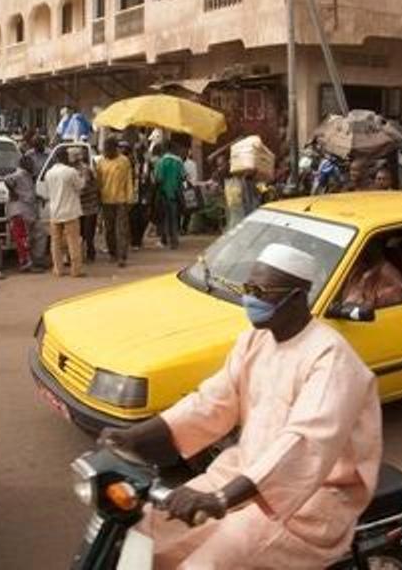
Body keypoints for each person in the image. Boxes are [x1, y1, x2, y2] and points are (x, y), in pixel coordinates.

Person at [101, 243, 382, 569]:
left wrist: (221, 499)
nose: (250, 299)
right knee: (145, 530)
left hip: (309, 502)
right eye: (247, 288)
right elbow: (211, 402)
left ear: (297, 296)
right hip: (242, 470)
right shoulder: (255, 340)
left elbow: (303, 445)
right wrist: (132, 437)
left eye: (260, 291)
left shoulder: (330, 358)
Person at [43, 151, 85, 277]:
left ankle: (58, 269)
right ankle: (75, 270)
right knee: (73, 242)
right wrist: (84, 177)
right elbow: (80, 186)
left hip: (55, 212)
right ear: (66, 158)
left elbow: (47, 192)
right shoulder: (71, 172)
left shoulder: (49, 173)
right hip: (70, 211)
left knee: (55, 243)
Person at [96, 137, 134, 267]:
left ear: (115, 148)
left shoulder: (124, 161)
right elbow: (98, 182)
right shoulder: (100, 162)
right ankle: (112, 253)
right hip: (106, 201)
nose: (106, 152)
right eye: (105, 150)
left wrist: (130, 198)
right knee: (109, 230)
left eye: (108, 149)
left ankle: (122, 256)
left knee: (121, 229)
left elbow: (129, 181)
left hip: (121, 200)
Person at [341, 240, 402, 311]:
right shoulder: (357, 269)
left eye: (365, 251)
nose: (359, 257)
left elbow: (369, 309)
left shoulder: (387, 275)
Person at [3, 154, 37, 273]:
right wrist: (12, 191)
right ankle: (25, 263)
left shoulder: (27, 175)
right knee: (23, 240)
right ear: (24, 164)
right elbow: (7, 179)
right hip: (19, 211)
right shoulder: (20, 174)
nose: (33, 165)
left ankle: (26, 262)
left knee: (24, 239)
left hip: (25, 211)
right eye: (31, 163)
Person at [155, 142, 186, 249]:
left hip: (163, 193)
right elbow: (183, 176)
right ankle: (174, 241)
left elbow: (158, 178)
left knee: (164, 218)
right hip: (176, 194)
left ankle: (164, 240)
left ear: (164, 149)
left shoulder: (161, 161)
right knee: (174, 218)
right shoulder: (179, 161)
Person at [77, 151, 100, 263]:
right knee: (83, 233)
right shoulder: (79, 170)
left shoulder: (85, 170)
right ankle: (86, 254)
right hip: (82, 208)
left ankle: (90, 254)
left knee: (88, 234)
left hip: (89, 207)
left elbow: (84, 187)